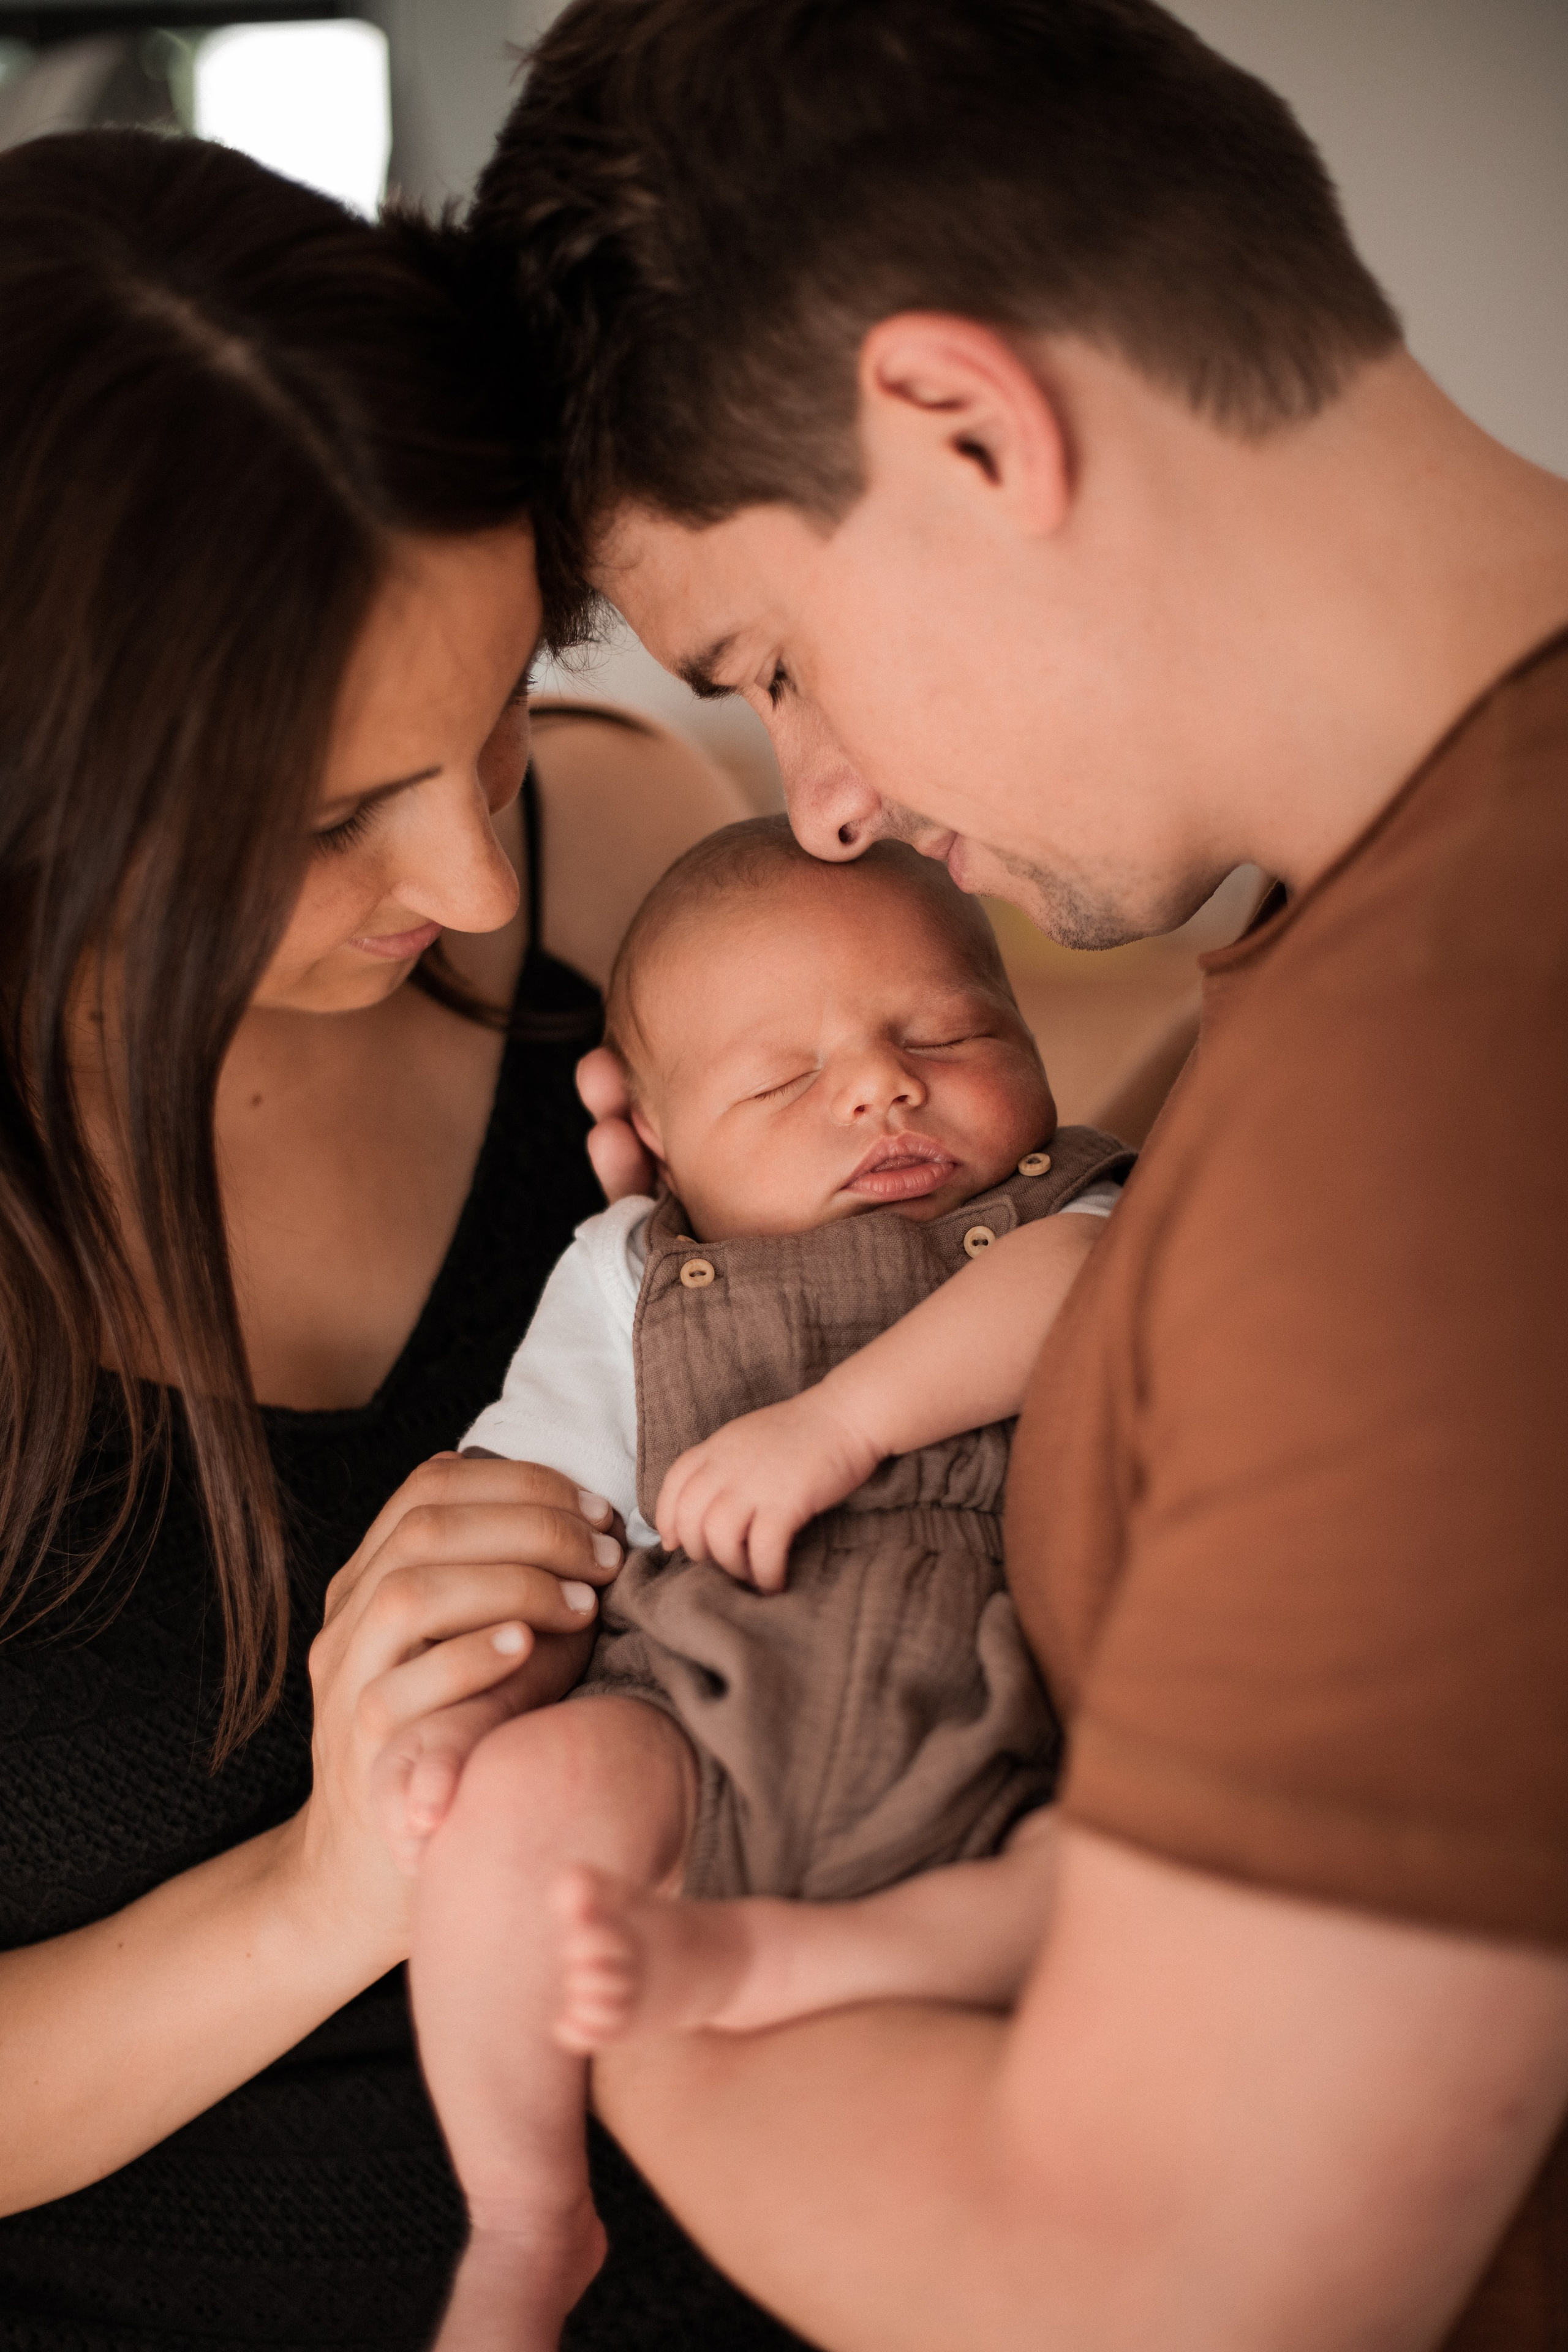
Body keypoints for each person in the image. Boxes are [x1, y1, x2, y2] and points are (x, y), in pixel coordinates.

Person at [467, 2, 1568, 2345]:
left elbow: (1138, 2296)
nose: (828, 799)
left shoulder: (1445, 1070)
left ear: (965, 427)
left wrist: (584, 1964)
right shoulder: (1366, 963)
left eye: (769, 660)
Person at [0, 126, 814, 2352]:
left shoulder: (633, 845)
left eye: (489, 722)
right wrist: (329, 1884)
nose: (474, 882)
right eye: (330, 814)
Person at [393, 816, 1128, 2348]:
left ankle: (799, 1961)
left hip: (1001, 1716)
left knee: (1102, 1887)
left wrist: (838, 1424)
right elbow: (532, 1497)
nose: (879, 1085)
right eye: (783, 1080)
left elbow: (1075, 1301)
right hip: (700, 1712)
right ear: (655, 1145)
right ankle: (526, 2213)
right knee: (509, 1815)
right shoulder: (624, 1268)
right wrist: (454, 1704)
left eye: (947, 1030)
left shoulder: (1066, 1208)